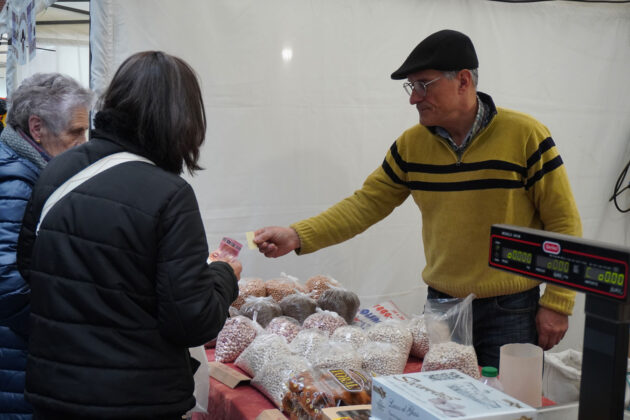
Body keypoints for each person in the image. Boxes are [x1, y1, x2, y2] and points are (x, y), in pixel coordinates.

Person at [254, 29, 582, 368]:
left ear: (464, 81)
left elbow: (562, 221)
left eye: (423, 84)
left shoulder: (526, 136)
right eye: (411, 87)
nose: (414, 98)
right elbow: (365, 204)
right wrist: (297, 235)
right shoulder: (411, 146)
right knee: (444, 404)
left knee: (508, 407)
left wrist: (558, 302)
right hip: (442, 306)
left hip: (511, 306)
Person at [16, 51, 241, 419]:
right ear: (182, 120)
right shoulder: (170, 194)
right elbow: (191, 321)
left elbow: (31, 267)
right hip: (137, 400)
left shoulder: (58, 171)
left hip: (53, 391)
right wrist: (223, 277)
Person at [0, 73, 93, 420]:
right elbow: (7, 281)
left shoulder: (29, 169)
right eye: (75, 132)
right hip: (16, 360)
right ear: (37, 128)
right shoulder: (16, 179)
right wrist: (64, 334)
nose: (84, 143)